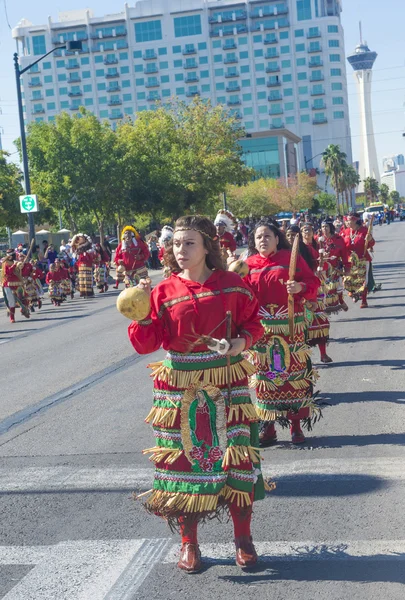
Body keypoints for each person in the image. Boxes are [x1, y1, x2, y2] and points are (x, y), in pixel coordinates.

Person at [127, 215, 270, 574]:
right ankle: (188, 543)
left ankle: (243, 539)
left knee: (235, 459)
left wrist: (239, 342)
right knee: (182, 462)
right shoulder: (162, 291)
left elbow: (255, 324)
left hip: (227, 380)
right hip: (179, 386)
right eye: (176, 244)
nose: (181, 250)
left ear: (209, 246)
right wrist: (142, 314)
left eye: (189, 243)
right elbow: (147, 345)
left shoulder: (233, 285)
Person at [245, 220, 320, 446]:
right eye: (259, 237)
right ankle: (268, 427)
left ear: (277, 239)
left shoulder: (290, 259)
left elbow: (312, 281)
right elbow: (239, 295)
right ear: (253, 241)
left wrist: (300, 288)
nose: (263, 240)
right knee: (265, 378)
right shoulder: (248, 264)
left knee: (292, 376)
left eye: (267, 235)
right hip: (261, 330)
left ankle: (296, 426)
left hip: (290, 326)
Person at [301, 223, 332, 363]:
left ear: (312, 232)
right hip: (299, 290)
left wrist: (322, 263)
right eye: (304, 230)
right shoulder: (293, 251)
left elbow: (324, 266)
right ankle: (303, 358)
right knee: (302, 324)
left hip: (314, 288)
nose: (306, 232)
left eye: (308, 229)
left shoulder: (314, 248)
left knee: (319, 320)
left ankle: (323, 354)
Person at [342, 214, 375, 308]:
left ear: (355, 220)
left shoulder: (364, 231)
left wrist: (370, 239)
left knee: (363, 280)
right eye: (347, 220)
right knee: (348, 280)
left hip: (362, 258)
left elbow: (371, 243)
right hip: (349, 260)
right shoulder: (346, 232)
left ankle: (364, 300)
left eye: (349, 220)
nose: (347, 222)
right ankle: (353, 293)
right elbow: (341, 245)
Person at [1, 250, 30, 322]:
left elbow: (21, 271)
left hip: (18, 283)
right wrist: (14, 265)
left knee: (23, 297)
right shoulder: (5, 263)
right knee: (11, 301)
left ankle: (23, 309)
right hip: (8, 284)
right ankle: (12, 317)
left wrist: (21, 265)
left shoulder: (16, 262)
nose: (13, 256)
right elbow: (8, 273)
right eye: (12, 255)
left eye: (14, 255)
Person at [70, 233, 96, 298]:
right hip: (80, 264)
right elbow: (72, 250)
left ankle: (89, 293)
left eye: (82, 238)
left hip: (87, 263)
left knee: (88, 279)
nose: (80, 239)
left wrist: (86, 253)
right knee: (82, 280)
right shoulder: (77, 246)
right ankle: (83, 293)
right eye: (79, 238)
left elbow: (92, 251)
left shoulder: (88, 245)